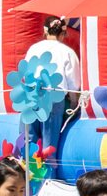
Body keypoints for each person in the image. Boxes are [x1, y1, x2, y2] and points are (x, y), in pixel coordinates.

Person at [23, 18, 81, 179]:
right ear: (63, 33)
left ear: (44, 31)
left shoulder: (34, 48)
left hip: (30, 94)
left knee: (28, 141)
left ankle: (27, 182)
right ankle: (48, 183)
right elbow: (74, 83)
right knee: (49, 145)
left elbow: (25, 73)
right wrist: (74, 104)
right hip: (53, 97)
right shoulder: (67, 52)